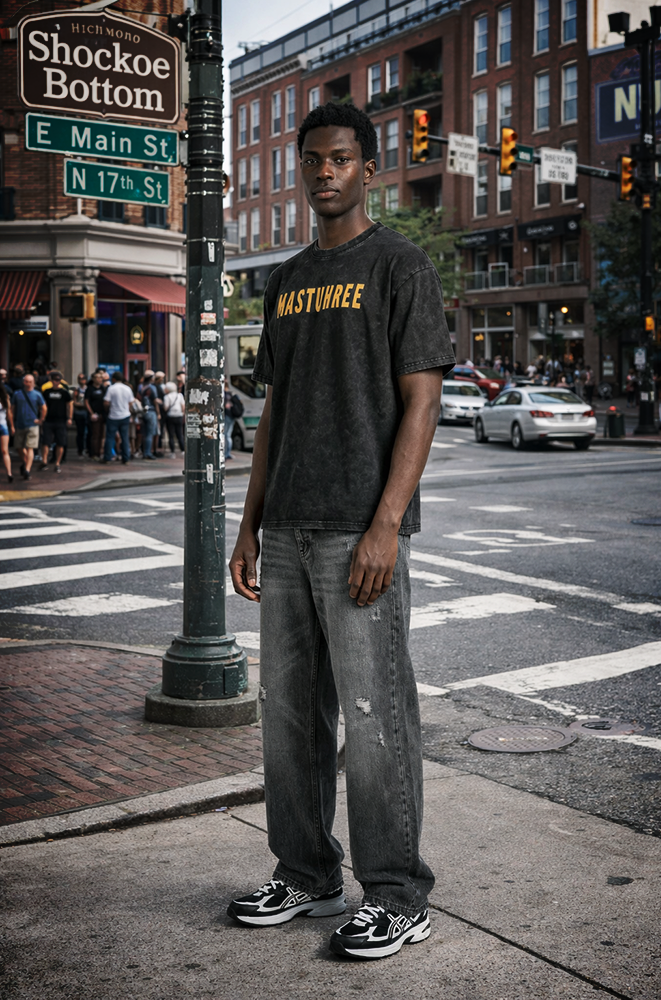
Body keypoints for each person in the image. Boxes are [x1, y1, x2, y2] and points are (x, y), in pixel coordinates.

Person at [227, 101, 454, 960]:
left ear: (369, 167)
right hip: (285, 531)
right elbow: (273, 415)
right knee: (287, 721)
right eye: (313, 160)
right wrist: (248, 527)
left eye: (341, 159)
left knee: (374, 718)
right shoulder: (285, 280)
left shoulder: (399, 264)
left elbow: (422, 401)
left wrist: (386, 526)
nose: (325, 172)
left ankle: (396, 892)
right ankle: (307, 872)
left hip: (359, 531)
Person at [12, 373, 46, 481]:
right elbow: (12, 409)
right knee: (19, 447)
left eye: (30, 382)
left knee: (30, 447)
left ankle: (27, 469)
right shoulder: (17, 394)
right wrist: (12, 423)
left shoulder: (37, 394)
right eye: (26, 381)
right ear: (23, 382)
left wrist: (41, 420)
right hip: (20, 424)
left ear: (33, 383)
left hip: (32, 424)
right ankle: (26, 462)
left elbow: (44, 407)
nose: (28, 384)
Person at [39, 371, 72, 474]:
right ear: (51, 380)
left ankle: (57, 463)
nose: (56, 382)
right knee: (46, 441)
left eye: (58, 380)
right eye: (55, 380)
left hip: (61, 420)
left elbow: (70, 405)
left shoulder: (64, 392)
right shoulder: (47, 392)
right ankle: (44, 461)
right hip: (49, 419)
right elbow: (42, 406)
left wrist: (70, 417)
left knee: (60, 442)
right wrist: (42, 418)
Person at [103, 371, 135, 464]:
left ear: (113, 379)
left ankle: (107, 457)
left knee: (110, 437)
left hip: (113, 415)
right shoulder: (127, 388)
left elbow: (106, 402)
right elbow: (131, 402)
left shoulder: (111, 389)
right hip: (125, 415)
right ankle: (126, 458)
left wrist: (108, 409)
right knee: (125, 437)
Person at [85, 371, 107, 460]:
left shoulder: (103, 388)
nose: (100, 379)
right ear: (93, 379)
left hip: (103, 414)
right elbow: (86, 402)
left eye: (101, 378)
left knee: (102, 434)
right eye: (98, 377)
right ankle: (94, 453)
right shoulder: (90, 389)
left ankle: (100, 452)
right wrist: (91, 413)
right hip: (94, 414)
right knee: (95, 434)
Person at [139, 370, 159, 460]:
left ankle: (144, 451)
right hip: (151, 411)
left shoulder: (141, 387)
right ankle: (147, 452)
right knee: (150, 433)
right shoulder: (152, 387)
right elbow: (155, 401)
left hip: (143, 411)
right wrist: (158, 413)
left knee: (145, 433)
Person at [162, 380, 185, 457]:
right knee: (179, 434)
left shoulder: (166, 397)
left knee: (171, 434)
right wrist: (182, 413)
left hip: (170, 416)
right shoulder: (180, 395)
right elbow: (183, 406)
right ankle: (183, 450)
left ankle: (172, 452)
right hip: (179, 415)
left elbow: (165, 408)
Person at [0, 378, 15, 482]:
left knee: (5, 451)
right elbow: (9, 413)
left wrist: (12, 426)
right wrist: (12, 425)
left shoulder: (5, 398)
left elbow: (9, 413)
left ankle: (9, 473)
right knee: (5, 451)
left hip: (3, 425)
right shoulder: (5, 398)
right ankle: (9, 473)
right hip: (3, 425)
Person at [71, 373, 89, 456]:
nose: (81, 380)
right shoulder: (76, 390)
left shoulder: (88, 389)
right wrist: (82, 405)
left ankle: (88, 448)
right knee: (80, 432)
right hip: (79, 413)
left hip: (87, 412)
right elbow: (74, 402)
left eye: (83, 378)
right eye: (80, 378)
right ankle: (80, 449)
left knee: (89, 432)